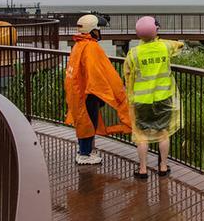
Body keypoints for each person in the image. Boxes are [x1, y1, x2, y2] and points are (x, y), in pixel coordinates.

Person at [65, 14, 132, 165]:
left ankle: (84, 150)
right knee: (89, 123)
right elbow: (98, 73)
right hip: (89, 93)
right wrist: (112, 90)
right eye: (97, 29)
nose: (99, 32)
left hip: (78, 91)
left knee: (83, 122)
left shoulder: (78, 45)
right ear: (92, 31)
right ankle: (84, 154)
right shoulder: (91, 47)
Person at [123, 16, 183, 179]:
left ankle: (142, 169)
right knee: (163, 133)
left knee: (141, 136)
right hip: (163, 98)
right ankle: (163, 166)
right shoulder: (164, 47)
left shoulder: (134, 53)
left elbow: (127, 73)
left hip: (142, 100)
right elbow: (180, 45)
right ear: (155, 31)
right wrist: (158, 39)